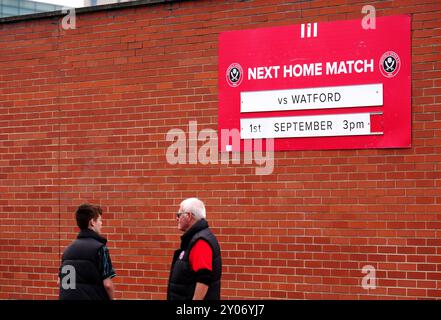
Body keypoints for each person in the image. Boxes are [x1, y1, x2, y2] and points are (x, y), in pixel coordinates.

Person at [167, 197, 222, 300]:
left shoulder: (200, 242)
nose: (176, 219)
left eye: (179, 215)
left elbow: (204, 279)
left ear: (189, 216)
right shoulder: (194, 239)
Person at [58, 203, 116, 300]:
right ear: (92, 222)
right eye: (100, 220)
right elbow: (107, 285)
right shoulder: (100, 249)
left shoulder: (67, 250)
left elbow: (60, 282)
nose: (101, 224)